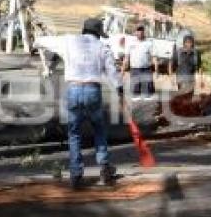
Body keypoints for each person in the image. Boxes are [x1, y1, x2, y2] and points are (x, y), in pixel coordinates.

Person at [63, 18, 125, 188]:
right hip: (92, 90)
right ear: (98, 33)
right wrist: (120, 89)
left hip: (73, 89)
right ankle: (104, 168)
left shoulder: (68, 41)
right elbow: (112, 71)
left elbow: (42, 42)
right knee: (99, 129)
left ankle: (76, 175)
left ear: (84, 30)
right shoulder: (102, 47)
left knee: (74, 133)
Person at [124, 25, 156, 97]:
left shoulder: (149, 43)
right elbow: (126, 57)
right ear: (135, 32)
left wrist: (156, 71)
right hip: (134, 69)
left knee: (148, 93)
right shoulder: (130, 43)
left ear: (144, 32)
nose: (140, 32)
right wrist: (123, 71)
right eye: (138, 31)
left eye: (141, 31)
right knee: (135, 93)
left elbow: (154, 57)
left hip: (146, 70)